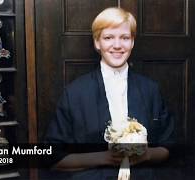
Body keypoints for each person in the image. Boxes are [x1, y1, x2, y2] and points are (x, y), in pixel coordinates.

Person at [42, 7, 175, 180]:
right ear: (97, 42)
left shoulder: (151, 89)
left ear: (132, 42)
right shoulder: (74, 93)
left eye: (125, 38)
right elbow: (53, 158)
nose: (117, 45)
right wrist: (106, 157)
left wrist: (145, 155)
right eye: (108, 37)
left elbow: (169, 147)